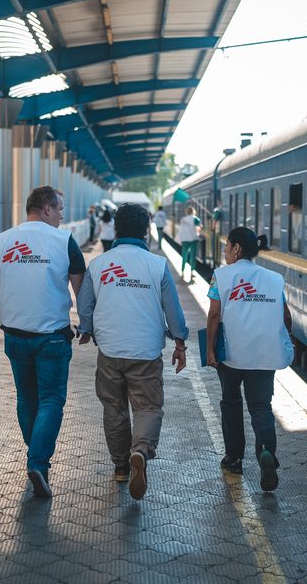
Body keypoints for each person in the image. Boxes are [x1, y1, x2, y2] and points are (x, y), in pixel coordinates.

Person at [0, 186, 86, 498]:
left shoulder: (2, 241)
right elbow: (82, 291)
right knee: (51, 400)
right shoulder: (64, 241)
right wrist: (89, 326)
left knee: (26, 398)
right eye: (59, 209)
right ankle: (37, 462)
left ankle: (36, 456)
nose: (62, 216)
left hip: (15, 337)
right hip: (52, 338)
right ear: (47, 208)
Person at [77, 204, 189, 500]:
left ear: (116, 229)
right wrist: (180, 343)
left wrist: (86, 329)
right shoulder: (157, 265)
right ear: (146, 231)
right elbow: (172, 310)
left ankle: (121, 466)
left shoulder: (99, 264)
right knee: (147, 407)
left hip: (110, 350)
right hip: (146, 351)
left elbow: (85, 304)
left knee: (113, 408)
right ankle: (140, 450)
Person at [205, 227, 294, 492]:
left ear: (236, 248)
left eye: (226, 246)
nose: (224, 252)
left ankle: (234, 459)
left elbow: (214, 315)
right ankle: (265, 451)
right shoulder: (274, 279)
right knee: (261, 406)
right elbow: (285, 315)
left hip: (231, 355)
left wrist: (210, 349)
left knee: (231, 403)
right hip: (264, 354)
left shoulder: (221, 276)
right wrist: (287, 339)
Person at [175, 206, 201, 281]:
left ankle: (182, 272)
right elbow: (198, 229)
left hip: (184, 240)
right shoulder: (196, 219)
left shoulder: (183, 219)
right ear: (193, 211)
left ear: (187, 212)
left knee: (184, 256)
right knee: (192, 256)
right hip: (192, 240)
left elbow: (181, 229)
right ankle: (192, 273)